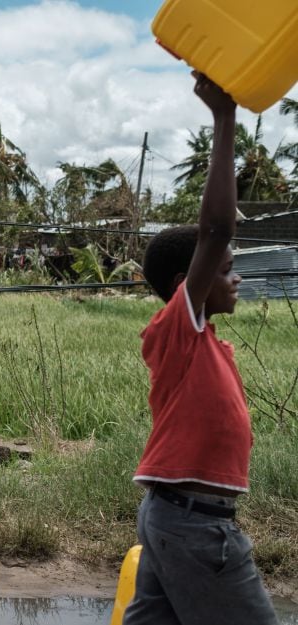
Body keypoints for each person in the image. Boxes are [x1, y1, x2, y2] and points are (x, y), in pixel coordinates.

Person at [123, 73, 277, 625]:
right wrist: (225, 118)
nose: (236, 281)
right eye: (227, 272)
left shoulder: (210, 343)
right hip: (196, 526)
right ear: (192, 278)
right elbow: (215, 228)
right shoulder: (177, 331)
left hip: (178, 516)